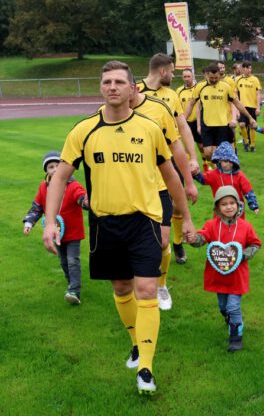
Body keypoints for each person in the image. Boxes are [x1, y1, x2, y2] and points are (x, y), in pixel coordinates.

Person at [43, 60, 195, 395]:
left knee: (145, 289)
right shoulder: (83, 131)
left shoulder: (149, 128)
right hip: (104, 223)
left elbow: (170, 176)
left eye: (119, 82)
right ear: (102, 88)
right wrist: (51, 220)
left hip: (145, 221)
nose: (112, 87)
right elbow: (60, 178)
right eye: (107, 82)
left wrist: (187, 217)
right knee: (122, 288)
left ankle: (146, 369)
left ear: (132, 89)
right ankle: (136, 344)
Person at [137, 54, 201, 266]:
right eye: (172, 71)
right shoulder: (134, 92)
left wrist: (192, 158)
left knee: (175, 204)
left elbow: (183, 127)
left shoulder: (171, 95)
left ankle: (177, 242)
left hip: (170, 159)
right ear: (163, 71)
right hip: (140, 162)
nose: (174, 76)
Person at [187, 185, 261, 352]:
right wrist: (193, 239)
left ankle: (236, 336)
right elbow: (202, 238)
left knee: (233, 306)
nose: (229, 207)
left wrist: (243, 255)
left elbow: (256, 244)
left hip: (237, 277)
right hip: (218, 276)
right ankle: (230, 318)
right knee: (223, 306)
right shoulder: (212, 225)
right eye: (224, 204)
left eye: (232, 203)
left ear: (238, 205)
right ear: (218, 208)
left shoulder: (245, 226)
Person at [23, 151, 89, 304]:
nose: (54, 169)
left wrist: (86, 202)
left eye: (57, 166)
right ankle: (70, 283)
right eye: (50, 167)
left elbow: (81, 197)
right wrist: (29, 222)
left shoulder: (73, 186)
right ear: (46, 170)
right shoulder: (43, 188)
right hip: (56, 233)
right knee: (64, 261)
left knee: (73, 260)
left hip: (73, 233)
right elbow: (37, 207)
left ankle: (74, 290)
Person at [184, 63, 257, 162]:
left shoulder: (226, 87)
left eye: (216, 78)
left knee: (223, 152)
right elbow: (191, 104)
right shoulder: (200, 87)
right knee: (208, 153)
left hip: (223, 125)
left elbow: (237, 103)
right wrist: (183, 120)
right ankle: (218, 169)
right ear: (207, 75)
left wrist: (250, 117)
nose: (214, 80)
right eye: (211, 78)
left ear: (219, 75)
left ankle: (223, 172)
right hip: (207, 125)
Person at [193, 142, 260, 215]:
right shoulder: (214, 174)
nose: (228, 164)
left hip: (237, 208)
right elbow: (203, 179)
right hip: (220, 207)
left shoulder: (239, 175)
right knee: (220, 225)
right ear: (219, 161)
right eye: (225, 161)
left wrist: (254, 205)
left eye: (231, 161)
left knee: (238, 225)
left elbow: (248, 190)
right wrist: (195, 173)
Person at [235, 61, 262, 152]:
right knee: (242, 124)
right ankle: (246, 142)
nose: (249, 70)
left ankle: (252, 145)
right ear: (243, 69)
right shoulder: (237, 79)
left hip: (253, 106)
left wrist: (258, 107)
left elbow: (258, 94)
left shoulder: (255, 79)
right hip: (242, 106)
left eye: (250, 68)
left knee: (252, 125)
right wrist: (237, 106)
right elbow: (235, 93)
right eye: (247, 68)